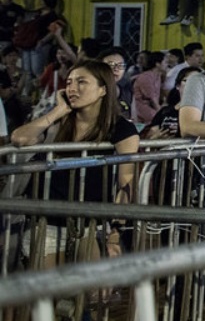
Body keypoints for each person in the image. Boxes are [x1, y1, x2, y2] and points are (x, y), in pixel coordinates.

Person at [10, 58, 139, 266]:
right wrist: (58, 111)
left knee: (90, 293)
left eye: (81, 82)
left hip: (92, 224)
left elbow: (127, 181)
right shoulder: (58, 122)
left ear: (103, 90)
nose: (72, 88)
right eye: (69, 82)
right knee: (46, 293)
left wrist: (115, 233)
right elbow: (19, 138)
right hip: (46, 222)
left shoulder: (121, 128)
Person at [132, 51, 166, 124]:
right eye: (164, 62)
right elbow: (151, 97)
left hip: (151, 106)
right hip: (141, 106)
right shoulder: (146, 77)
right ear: (157, 64)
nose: (166, 64)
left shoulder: (158, 76)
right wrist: (160, 112)